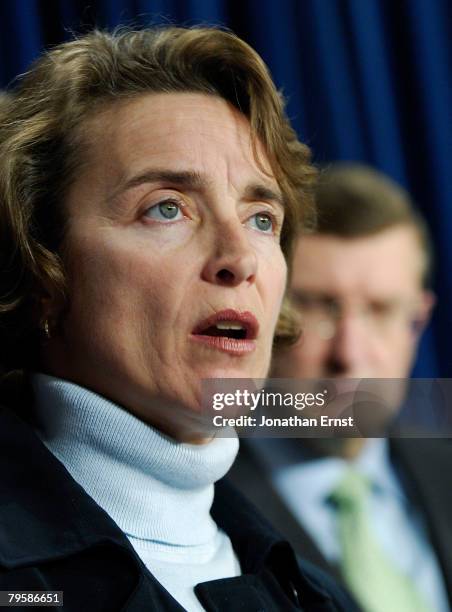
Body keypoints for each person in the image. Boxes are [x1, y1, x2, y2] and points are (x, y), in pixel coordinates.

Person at [0, 27, 357, 612]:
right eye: (167, 208)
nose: (239, 258)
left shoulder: (318, 599)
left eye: (261, 218)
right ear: (43, 269)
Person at [229, 164, 452, 612]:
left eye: (381, 310)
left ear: (418, 321)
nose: (349, 355)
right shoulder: (202, 501)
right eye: (319, 308)